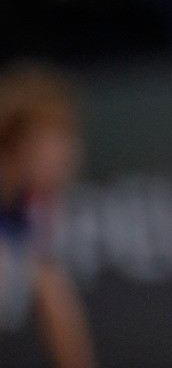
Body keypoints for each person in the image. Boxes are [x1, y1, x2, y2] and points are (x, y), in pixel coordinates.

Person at [0, 62, 98, 368]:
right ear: (20, 144)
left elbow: (54, 299)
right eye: (59, 139)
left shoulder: (35, 205)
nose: (72, 153)